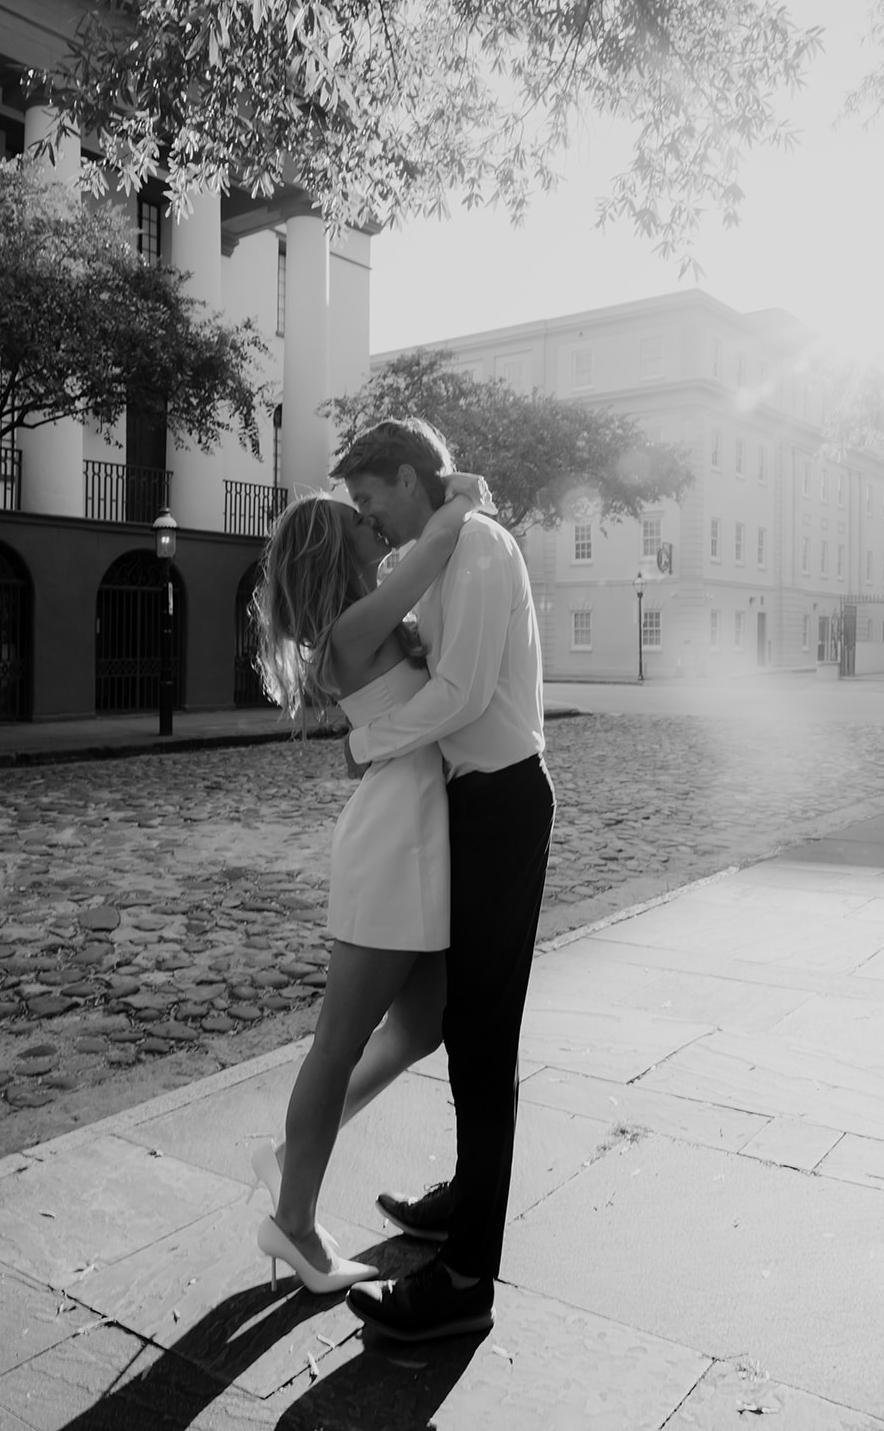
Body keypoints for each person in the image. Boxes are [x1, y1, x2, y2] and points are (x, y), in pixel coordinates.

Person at [329, 418, 555, 1343]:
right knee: (461, 1019)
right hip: (470, 804)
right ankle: (467, 1196)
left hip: (502, 802)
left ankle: (465, 1278)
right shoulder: (439, 547)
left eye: (369, 498)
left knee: (483, 1036)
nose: (366, 518)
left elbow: (461, 693)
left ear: (407, 479)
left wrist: (365, 742)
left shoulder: (483, 548)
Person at [249, 472, 492, 1294]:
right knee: (337, 1041)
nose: (375, 524)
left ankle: (293, 1154)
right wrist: (464, 495)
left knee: (419, 1026)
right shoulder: (355, 626)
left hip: (422, 829)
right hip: (393, 838)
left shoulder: (368, 620)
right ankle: (294, 1224)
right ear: (337, 544)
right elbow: (433, 548)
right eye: (360, 520)